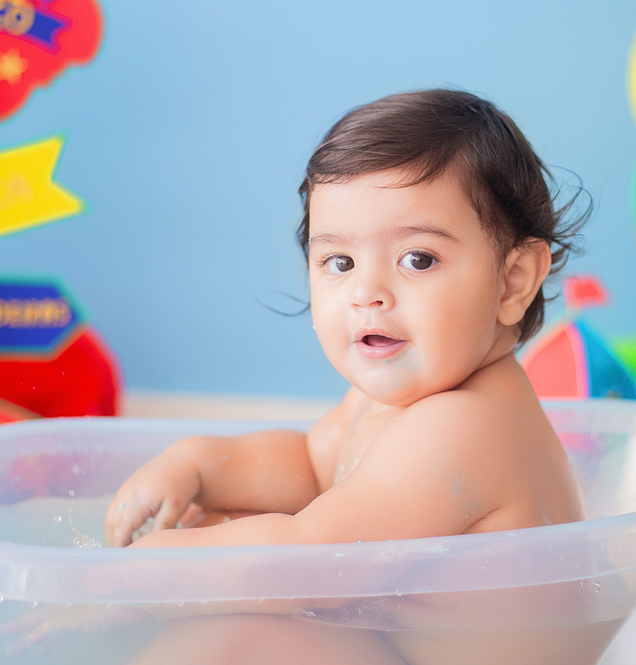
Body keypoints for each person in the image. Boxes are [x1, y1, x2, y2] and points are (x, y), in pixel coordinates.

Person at [105, 88, 586, 550]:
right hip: (393, 631)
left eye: (417, 259)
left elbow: (310, 557)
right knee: (217, 521)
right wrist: (197, 465)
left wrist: (155, 565)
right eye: (340, 262)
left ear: (513, 281)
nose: (366, 294)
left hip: (470, 638)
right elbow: (309, 469)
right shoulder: (385, 399)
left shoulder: (468, 424)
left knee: (237, 617)